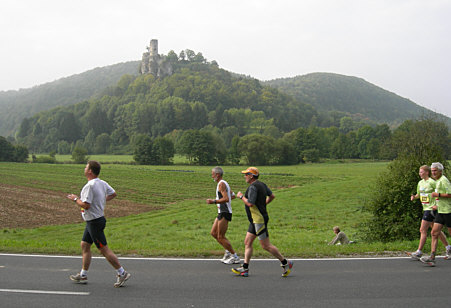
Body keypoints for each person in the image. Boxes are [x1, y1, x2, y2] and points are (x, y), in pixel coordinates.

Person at [66, 160, 131, 287]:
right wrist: (101, 201)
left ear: (90, 171)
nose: (84, 168)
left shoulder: (89, 186)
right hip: (94, 221)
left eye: (86, 167)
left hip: (94, 222)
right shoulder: (102, 183)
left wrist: (75, 199)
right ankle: (83, 275)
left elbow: (86, 205)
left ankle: (122, 272)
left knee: (104, 249)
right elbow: (113, 194)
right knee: (85, 245)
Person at [232, 167, 293, 277]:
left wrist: (241, 196)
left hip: (258, 220)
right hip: (255, 220)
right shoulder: (262, 184)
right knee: (247, 242)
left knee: (266, 246)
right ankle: (245, 269)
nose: (244, 176)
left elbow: (250, 203)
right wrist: (263, 205)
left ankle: (285, 262)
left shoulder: (253, 187)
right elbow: (272, 196)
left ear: (251, 176)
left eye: (246, 174)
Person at [408, 165, 449, 260]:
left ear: (427, 172)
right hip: (425, 207)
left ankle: (419, 251)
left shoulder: (432, 182)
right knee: (436, 231)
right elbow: (419, 194)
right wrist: (414, 197)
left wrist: (437, 204)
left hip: (431, 209)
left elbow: (438, 192)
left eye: (421, 172)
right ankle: (448, 247)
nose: (420, 174)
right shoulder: (420, 183)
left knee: (422, 229)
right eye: (419, 172)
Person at [206, 166, 240, 264]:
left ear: (217, 175)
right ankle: (228, 252)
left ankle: (235, 256)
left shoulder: (221, 184)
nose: (212, 176)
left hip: (225, 212)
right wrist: (219, 203)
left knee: (220, 236)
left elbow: (227, 198)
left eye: (213, 174)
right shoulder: (223, 183)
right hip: (221, 211)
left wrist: (214, 201)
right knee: (213, 233)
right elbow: (232, 196)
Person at [420, 162, 451, 266]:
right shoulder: (437, 181)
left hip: (448, 211)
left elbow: (450, 194)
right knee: (434, 233)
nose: (433, 172)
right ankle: (432, 257)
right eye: (432, 170)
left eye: (435, 171)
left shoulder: (444, 181)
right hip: (440, 211)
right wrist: (436, 205)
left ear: (440, 171)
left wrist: (437, 194)